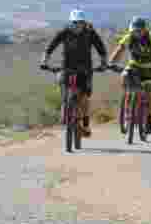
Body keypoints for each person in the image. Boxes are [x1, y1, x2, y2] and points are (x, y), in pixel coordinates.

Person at [40, 9, 109, 137]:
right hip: (67, 67)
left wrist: (104, 63)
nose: (78, 25)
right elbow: (50, 47)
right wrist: (44, 61)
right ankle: (65, 108)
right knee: (62, 83)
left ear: (84, 23)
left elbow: (101, 48)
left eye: (80, 23)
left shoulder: (89, 33)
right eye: (75, 23)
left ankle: (85, 122)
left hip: (85, 69)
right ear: (71, 23)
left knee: (84, 97)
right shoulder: (64, 32)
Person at [108, 16, 151, 133]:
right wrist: (111, 62)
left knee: (148, 93)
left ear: (145, 29)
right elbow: (120, 49)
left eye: (140, 30)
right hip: (134, 65)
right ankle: (127, 103)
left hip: (149, 67)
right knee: (124, 75)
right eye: (135, 30)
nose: (138, 32)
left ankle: (148, 117)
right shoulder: (129, 37)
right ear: (131, 30)